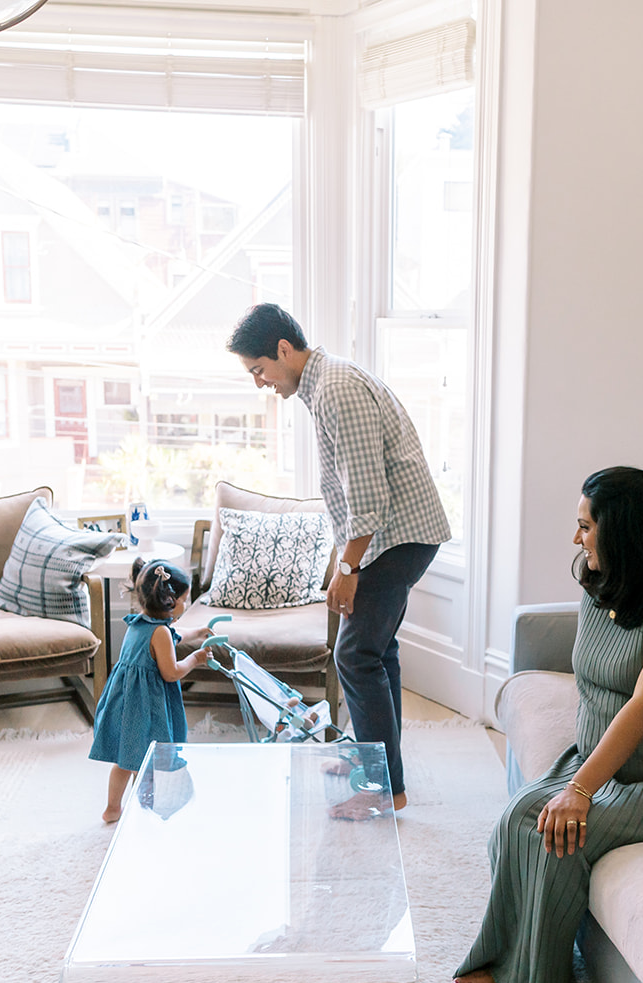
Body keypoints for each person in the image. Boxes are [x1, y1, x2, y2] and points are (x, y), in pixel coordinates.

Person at [451, 466, 643, 983]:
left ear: (622, 529)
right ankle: (504, 954)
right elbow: (593, 686)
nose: (575, 538)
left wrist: (580, 790)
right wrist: (579, 771)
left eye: (585, 526)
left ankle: (531, 982)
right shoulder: (598, 582)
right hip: (601, 759)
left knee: (560, 837)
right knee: (514, 821)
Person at [227, 303, 451, 819]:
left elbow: (366, 496)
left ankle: (380, 790)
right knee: (376, 652)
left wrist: (346, 571)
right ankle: (373, 762)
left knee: (355, 656)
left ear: (283, 350)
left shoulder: (336, 390)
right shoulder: (326, 383)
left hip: (398, 538)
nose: (259, 382)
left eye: (259, 369)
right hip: (395, 538)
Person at [88, 559, 214, 824]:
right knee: (145, 762)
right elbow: (171, 672)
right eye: (184, 599)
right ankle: (141, 810)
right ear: (170, 601)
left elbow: (175, 633)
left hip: (126, 702)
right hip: (145, 706)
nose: (186, 604)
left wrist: (198, 632)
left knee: (125, 760)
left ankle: (112, 808)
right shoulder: (161, 633)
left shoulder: (139, 623)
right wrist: (196, 660)